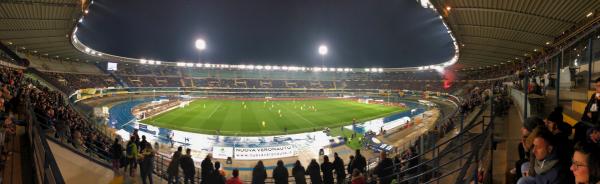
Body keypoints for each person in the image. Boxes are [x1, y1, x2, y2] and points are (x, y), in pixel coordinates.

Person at [579, 77, 600, 143]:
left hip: (596, 123)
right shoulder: (594, 95)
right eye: (596, 86)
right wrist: (588, 112)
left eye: (599, 86)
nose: (597, 89)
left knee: (589, 132)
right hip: (588, 120)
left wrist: (599, 101)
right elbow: (587, 107)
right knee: (579, 126)